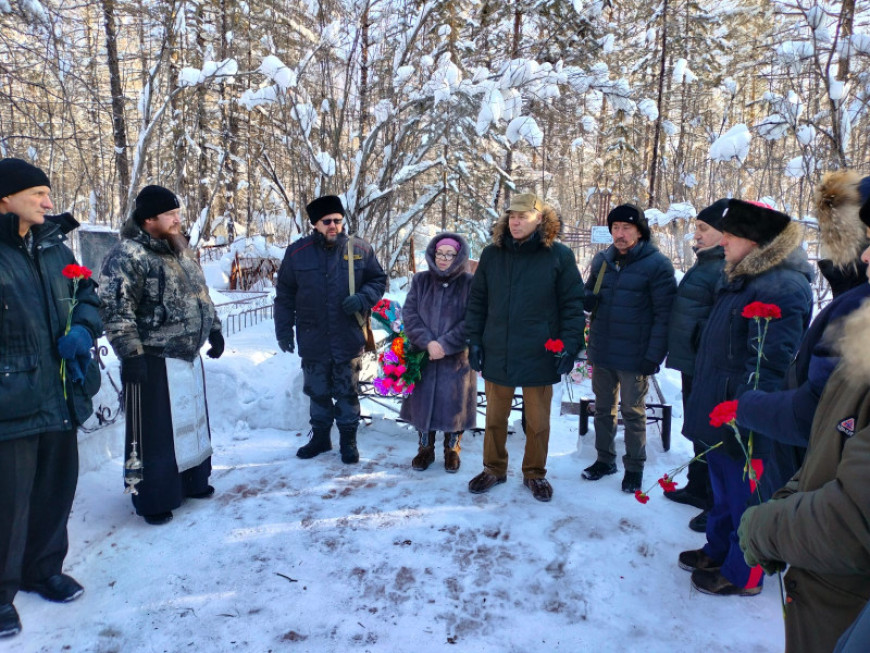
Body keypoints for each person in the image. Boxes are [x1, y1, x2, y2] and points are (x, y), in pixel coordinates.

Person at [737, 216, 870, 650]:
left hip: (842, 594)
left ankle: (739, 576)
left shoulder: (805, 294)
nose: (866, 255)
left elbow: (853, 521)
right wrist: (795, 491)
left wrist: (767, 527)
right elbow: (834, 428)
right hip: (824, 584)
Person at [678, 199, 813, 597]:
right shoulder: (743, 278)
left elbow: (769, 364)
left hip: (745, 416)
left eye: (732, 236)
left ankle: (744, 574)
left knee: (746, 498)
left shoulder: (782, 287)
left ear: (755, 241)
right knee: (723, 492)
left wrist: (747, 413)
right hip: (722, 407)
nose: (723, 243)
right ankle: (718, 550)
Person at [0, 158, 102, 638]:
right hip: (12, 399)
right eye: (38, 193)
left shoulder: (55, 246)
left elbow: (87, 294)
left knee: (55, 491)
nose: (48, 201)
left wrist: (83, 329)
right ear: (5, 198)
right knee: (8, 503)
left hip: (62, 390)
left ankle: (43, 569)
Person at [734, 170, 870, 499]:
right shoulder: (850, 296)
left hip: (817, 488)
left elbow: (818, 414)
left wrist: (747, 404)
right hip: (805, 471)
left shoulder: (854, 307)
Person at [99, 185, 224, 526]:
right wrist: (131, 355)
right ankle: (154, 498)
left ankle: (193, 482)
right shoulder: (128, 255)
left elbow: (201, 293)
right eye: (170, 214)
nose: (177, 219)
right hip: (153, 358)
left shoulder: (180, 247)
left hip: (187, 356)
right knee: (156, 437)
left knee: (190, 427)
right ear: (149, 219)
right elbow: (115, 309)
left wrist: (214, 328)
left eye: (177, 213)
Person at [464, 193, 585, 502]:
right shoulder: (493, 254)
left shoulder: (559, 255)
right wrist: (474, 340)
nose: (515, 222)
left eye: (523, 216)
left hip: (540, 351)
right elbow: (477, 301)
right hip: (498, 349)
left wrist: (570, 345)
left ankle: (534, 473)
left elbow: (572, 304)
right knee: (494, 418)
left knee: (538, 422)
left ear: (539, 219)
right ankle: (493, 468)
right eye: (512, 216)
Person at [274, 195, 386, 463]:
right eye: (327, 221)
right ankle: (321, 438)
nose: (333, 225)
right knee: (317, 393)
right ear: (315, 224)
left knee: (347, 393)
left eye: (337, 220)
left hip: (347, 338)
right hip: (313, 338)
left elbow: (378, 280)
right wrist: (283, 330)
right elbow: (285, 294)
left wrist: (362, 298)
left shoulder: (361, 249)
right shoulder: (297, 253)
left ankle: (348, 441)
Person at [581, 203, 677, 493]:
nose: (620, 234)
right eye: (615, 228)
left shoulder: (657, 265)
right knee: (603, 410)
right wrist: (587, 299)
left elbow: (664, 315)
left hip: (635, 354)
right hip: (603, 349)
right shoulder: (602, 261)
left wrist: (653, 355)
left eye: (626, 228)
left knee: (633, 413)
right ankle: (604, 460)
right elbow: (589, 293)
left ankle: (634, 468)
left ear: (640, 231)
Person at [663, 199, 727, 532]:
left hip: (707, 364)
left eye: (704, 228)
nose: (697, 234)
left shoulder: (725, 268)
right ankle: (697, 487)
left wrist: (699, 341)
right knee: (698, 429)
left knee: (711, 433)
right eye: (696, 227)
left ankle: (715, 500)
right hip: (694, 362)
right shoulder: (707, 263)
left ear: (725, 233)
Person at [400, 233, 476, 472]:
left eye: (449, 254)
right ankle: (425, 448)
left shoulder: (469, 283)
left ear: (459, 256)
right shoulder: (421, 280)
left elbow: (472, 320)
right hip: (424, 356)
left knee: (454, 405)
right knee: (423, 405)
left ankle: (452, 449)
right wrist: (427, 343)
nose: (443, 258)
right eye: (439, 254)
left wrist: (445, 344)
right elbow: (409, 314)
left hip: (456, 359)